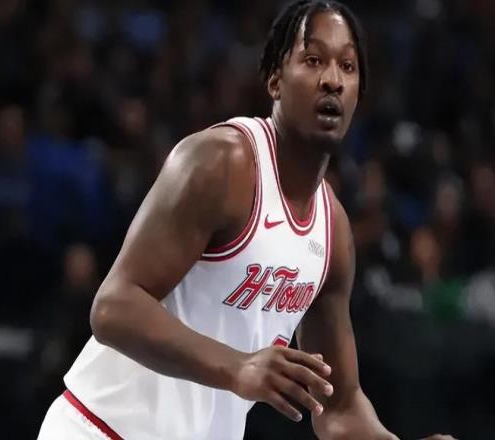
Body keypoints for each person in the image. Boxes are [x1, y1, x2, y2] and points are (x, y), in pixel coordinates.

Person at [38, 1, 455, 439]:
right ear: (275, 79)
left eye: (347, 66)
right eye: (313, 60)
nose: (332, 79)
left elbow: (340, 408)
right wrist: (238, 367)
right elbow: (112, 307)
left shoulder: (333, 230)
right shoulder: (221, 163)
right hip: (99, 429)